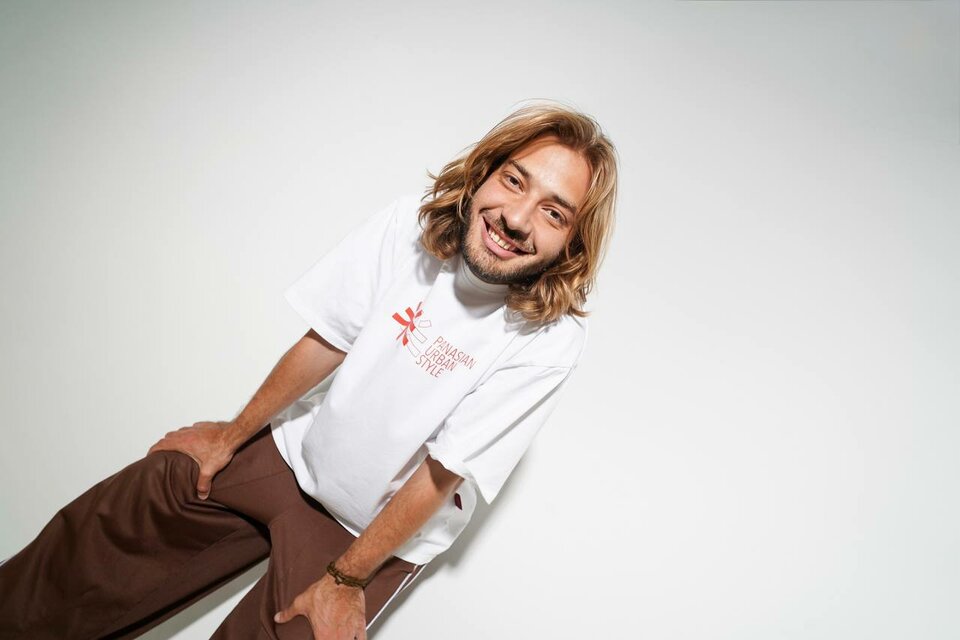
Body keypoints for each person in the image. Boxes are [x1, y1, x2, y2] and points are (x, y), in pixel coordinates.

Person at [0, 102, 618, 640]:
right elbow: (330, 339)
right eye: (514, 181)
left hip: (368, 534)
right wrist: (229, 435)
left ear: (572, 243)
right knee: (148, 498)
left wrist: (346, 579)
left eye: (553, 213)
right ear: (484, 171)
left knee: (301, 633)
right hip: (295, 456)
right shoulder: (409, 224)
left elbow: (441, 471)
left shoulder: (552, 340)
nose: (517, 218)